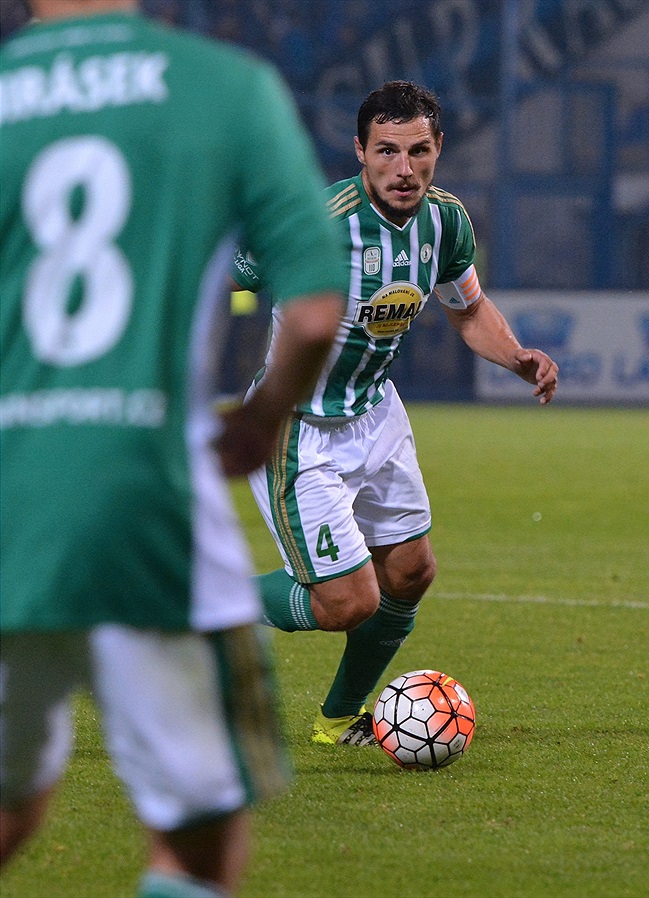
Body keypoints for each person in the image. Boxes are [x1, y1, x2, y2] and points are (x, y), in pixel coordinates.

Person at [0, 2, 345, 897]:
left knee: (9, 812)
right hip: (145, 514)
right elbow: (312, 311)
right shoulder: (225, 90)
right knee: (198, 845)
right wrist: (263, 417)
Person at [230, 80, 559, 747]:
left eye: (417, 151)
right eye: (386, 151)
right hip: (300, 428)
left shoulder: (447, 222)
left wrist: (516, 354)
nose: (403, 169)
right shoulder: (321, 222)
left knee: (411, 570)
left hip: (377, 414)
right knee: (348, 603)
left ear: (439, 149)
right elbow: (224, 267)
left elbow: (467, 310)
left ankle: (334, 723)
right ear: (361, 151)